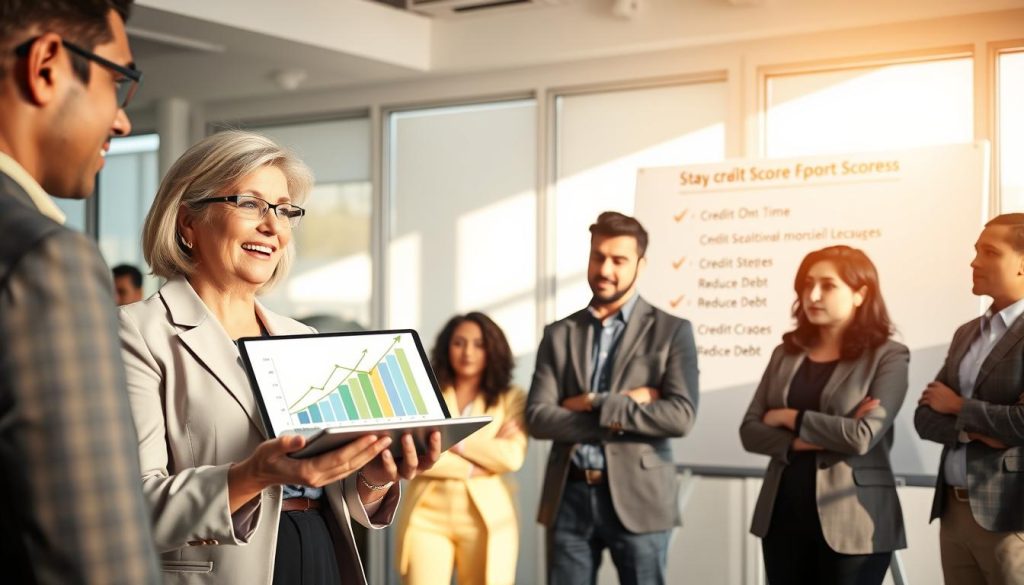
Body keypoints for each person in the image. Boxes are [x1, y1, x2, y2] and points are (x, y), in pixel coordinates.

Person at [119, 130, 440, 585]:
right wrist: (253, 475)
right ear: (188, 222)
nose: (274, 226)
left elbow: (333, 489)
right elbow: (130, 508)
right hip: (223, 568)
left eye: (284, 210)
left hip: (321, 548)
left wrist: (373, 475)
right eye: (250, 204)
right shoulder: (137, 331)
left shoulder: (299, 335)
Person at [0, 1, 160, 583]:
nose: (121, 121)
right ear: (45, 65)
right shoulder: (45, 259)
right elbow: (96, 554)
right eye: (119, 82)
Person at [526, 211, 699, 585]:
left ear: (641, 263)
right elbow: (538, 418)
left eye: (618, 260)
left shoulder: (671, 331)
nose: (605, 269)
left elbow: (680, 416)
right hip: (569, 494)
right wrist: (624, 403)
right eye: (598, 257)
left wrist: (594, 401)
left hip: (641, 498)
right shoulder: (559, 333)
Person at [739, 245, 909, 585]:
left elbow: (861, 438)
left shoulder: (888, 356)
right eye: (807, 284)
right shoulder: (785, 353)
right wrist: (811, 440)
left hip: (855, 521)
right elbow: (750, 431)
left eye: (828, 285)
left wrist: (789, 417)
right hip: (782, 515)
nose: (813, 295)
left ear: (860, 294)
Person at [915, 213, 1024, 585]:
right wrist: (973, 432)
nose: (974, 262)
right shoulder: (967, 334)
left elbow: (1022, 423)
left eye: (989, 252)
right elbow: (925, 416)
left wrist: (959, 407)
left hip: (1011, 517)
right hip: (953, 512)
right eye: (976, 250)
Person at [396, 312, 528, 585]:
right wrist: (476, 465)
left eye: (479, 344)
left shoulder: (511, 397)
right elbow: (413, 453)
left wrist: (455, 442)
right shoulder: (424, 393)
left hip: (486, 519)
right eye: (459, 343)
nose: (468, 352)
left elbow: (512, 457)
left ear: (493, 349)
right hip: (426, 516)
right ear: (447, 347)